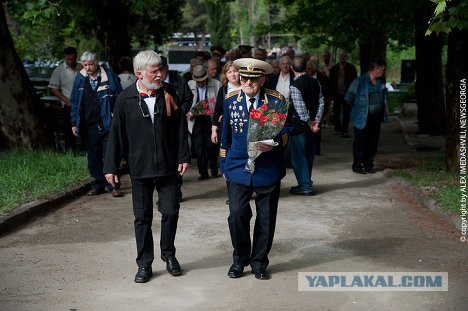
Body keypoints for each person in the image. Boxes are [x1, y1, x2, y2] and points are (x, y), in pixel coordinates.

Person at [103, 50, 190, 283]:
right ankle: (144, 263)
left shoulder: (171, 93)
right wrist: (110, 166)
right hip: (139, 167)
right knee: (142, 217)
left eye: (161, 70)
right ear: (139, 73)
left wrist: (184, 156)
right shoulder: (125, 99)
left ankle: (168, 254)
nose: (160, 74)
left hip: (168, 165)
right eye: (154, 71)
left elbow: (180, 128)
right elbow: (117, 134)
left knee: (171, 211)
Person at [220, 58, 288, 280]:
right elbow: (225, 137)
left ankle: (259, 262)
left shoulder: (275, 100)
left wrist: (273, 141)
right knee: (237, 214)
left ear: (262, 79)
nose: (248, 82)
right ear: (239, 78)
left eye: (253, 78)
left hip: (268, 166)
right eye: (244, 78)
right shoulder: (229, 99)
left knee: (266, 218)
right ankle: (240, 260)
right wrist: (224, 166)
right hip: (238, 166)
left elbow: (286, 131)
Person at [70, 51, 122, 197]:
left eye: (90, 64)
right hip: (89, 124)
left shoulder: (109, 76)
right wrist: (74, 122)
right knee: (93, 156)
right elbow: (75, 101)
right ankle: (98, 183)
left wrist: (119, 120)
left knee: (109, 155)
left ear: (96, 62)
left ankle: (113, 185)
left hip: (107, 123)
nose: (87, 67)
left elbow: (119, 98)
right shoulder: (80, 79)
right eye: (85, 65)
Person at [287, 56, 323, 195]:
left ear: (291, 68)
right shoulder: (315, 82)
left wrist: (309, 122)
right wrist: (317, 120)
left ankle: (306, 185)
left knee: (298, 157)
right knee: (309, 155)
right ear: (306, 67)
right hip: (314, 126)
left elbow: (300, 108)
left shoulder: (295, 85)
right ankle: (306, 182)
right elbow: (321, 102)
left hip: (301, 126)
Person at [345, 59, 388, 174]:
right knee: (360, 142)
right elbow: (348, 98)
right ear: (375, 69)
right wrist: (358, 108)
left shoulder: (381, 82)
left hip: (376, 117)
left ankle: (369, 165)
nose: (383, 73)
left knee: (373, 142)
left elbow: (384, 98)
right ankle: (357, 165)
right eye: (382, 70)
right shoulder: (359, 82)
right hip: (362, 117)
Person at [160, 56, 193, 202]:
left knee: (177, 159)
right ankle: (163, 193)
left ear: (166, 68)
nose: (159, 73)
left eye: (161, 69)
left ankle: (175, 190)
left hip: (177, 126)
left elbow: (188, 98)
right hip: (160, 127)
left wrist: (180, 112)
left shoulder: (179, 81)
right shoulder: (152, 83)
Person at [211, 61, 242, 205]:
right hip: (226, 131)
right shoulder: (224, 90)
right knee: (227, 159)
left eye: (235, 71)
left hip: (243, 131)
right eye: (229, 72)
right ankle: (232, 194)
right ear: (225, 74)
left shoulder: (246, 87)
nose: (233, 74)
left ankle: (245, 189)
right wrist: (214, 130)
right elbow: (217, 110)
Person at [187, 65, 222, 180]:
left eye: (202, 80)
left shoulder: (216, 84)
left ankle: (213, 168)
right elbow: (186, 102)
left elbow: (219, 103)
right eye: (198, 81)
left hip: (210, 119)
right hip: (196, 120)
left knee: (211, 146)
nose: (200, 83)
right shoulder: (190, 85)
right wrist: (189, 113)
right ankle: (203, 172)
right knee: (198, 148)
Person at [48, 47, 81, 151]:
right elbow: (53, 87)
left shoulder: (81, 67)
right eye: (68, 59)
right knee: (69, 129)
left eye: (73, 59)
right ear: (64, 57)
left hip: (82, 103)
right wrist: (65, 100)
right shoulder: (59, 70)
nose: (70, 62)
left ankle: (83, 148)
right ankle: (70, 150)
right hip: (69, 104)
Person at [329, 50, 358, 138]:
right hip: (336, 93)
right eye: (341, 56)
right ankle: (338, 128)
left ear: (346, 57)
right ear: (339, 57)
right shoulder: (334, 68)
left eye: (344, 56)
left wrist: (353, 94)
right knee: (336, 112)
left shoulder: (351, 68)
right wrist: (331, 94)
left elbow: (355, 82)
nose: (342, 58)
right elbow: (331, 82)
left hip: (347, 93)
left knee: (346, 112)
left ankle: (344, 130)